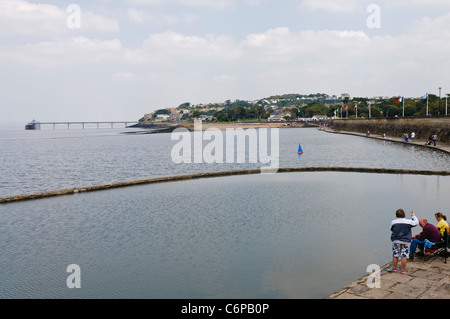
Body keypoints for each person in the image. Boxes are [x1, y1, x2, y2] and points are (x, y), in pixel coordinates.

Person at [389, 209, 418, 274]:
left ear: (396, 215)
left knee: (395, 254)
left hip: (396, 240)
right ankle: (402, 270)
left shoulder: (393, 222)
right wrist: (413, 215)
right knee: (404, 255)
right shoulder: (409, 222)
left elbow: (391, 229)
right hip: (406, 241)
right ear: (404, 214)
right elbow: (416, 222)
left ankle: (394, 268)